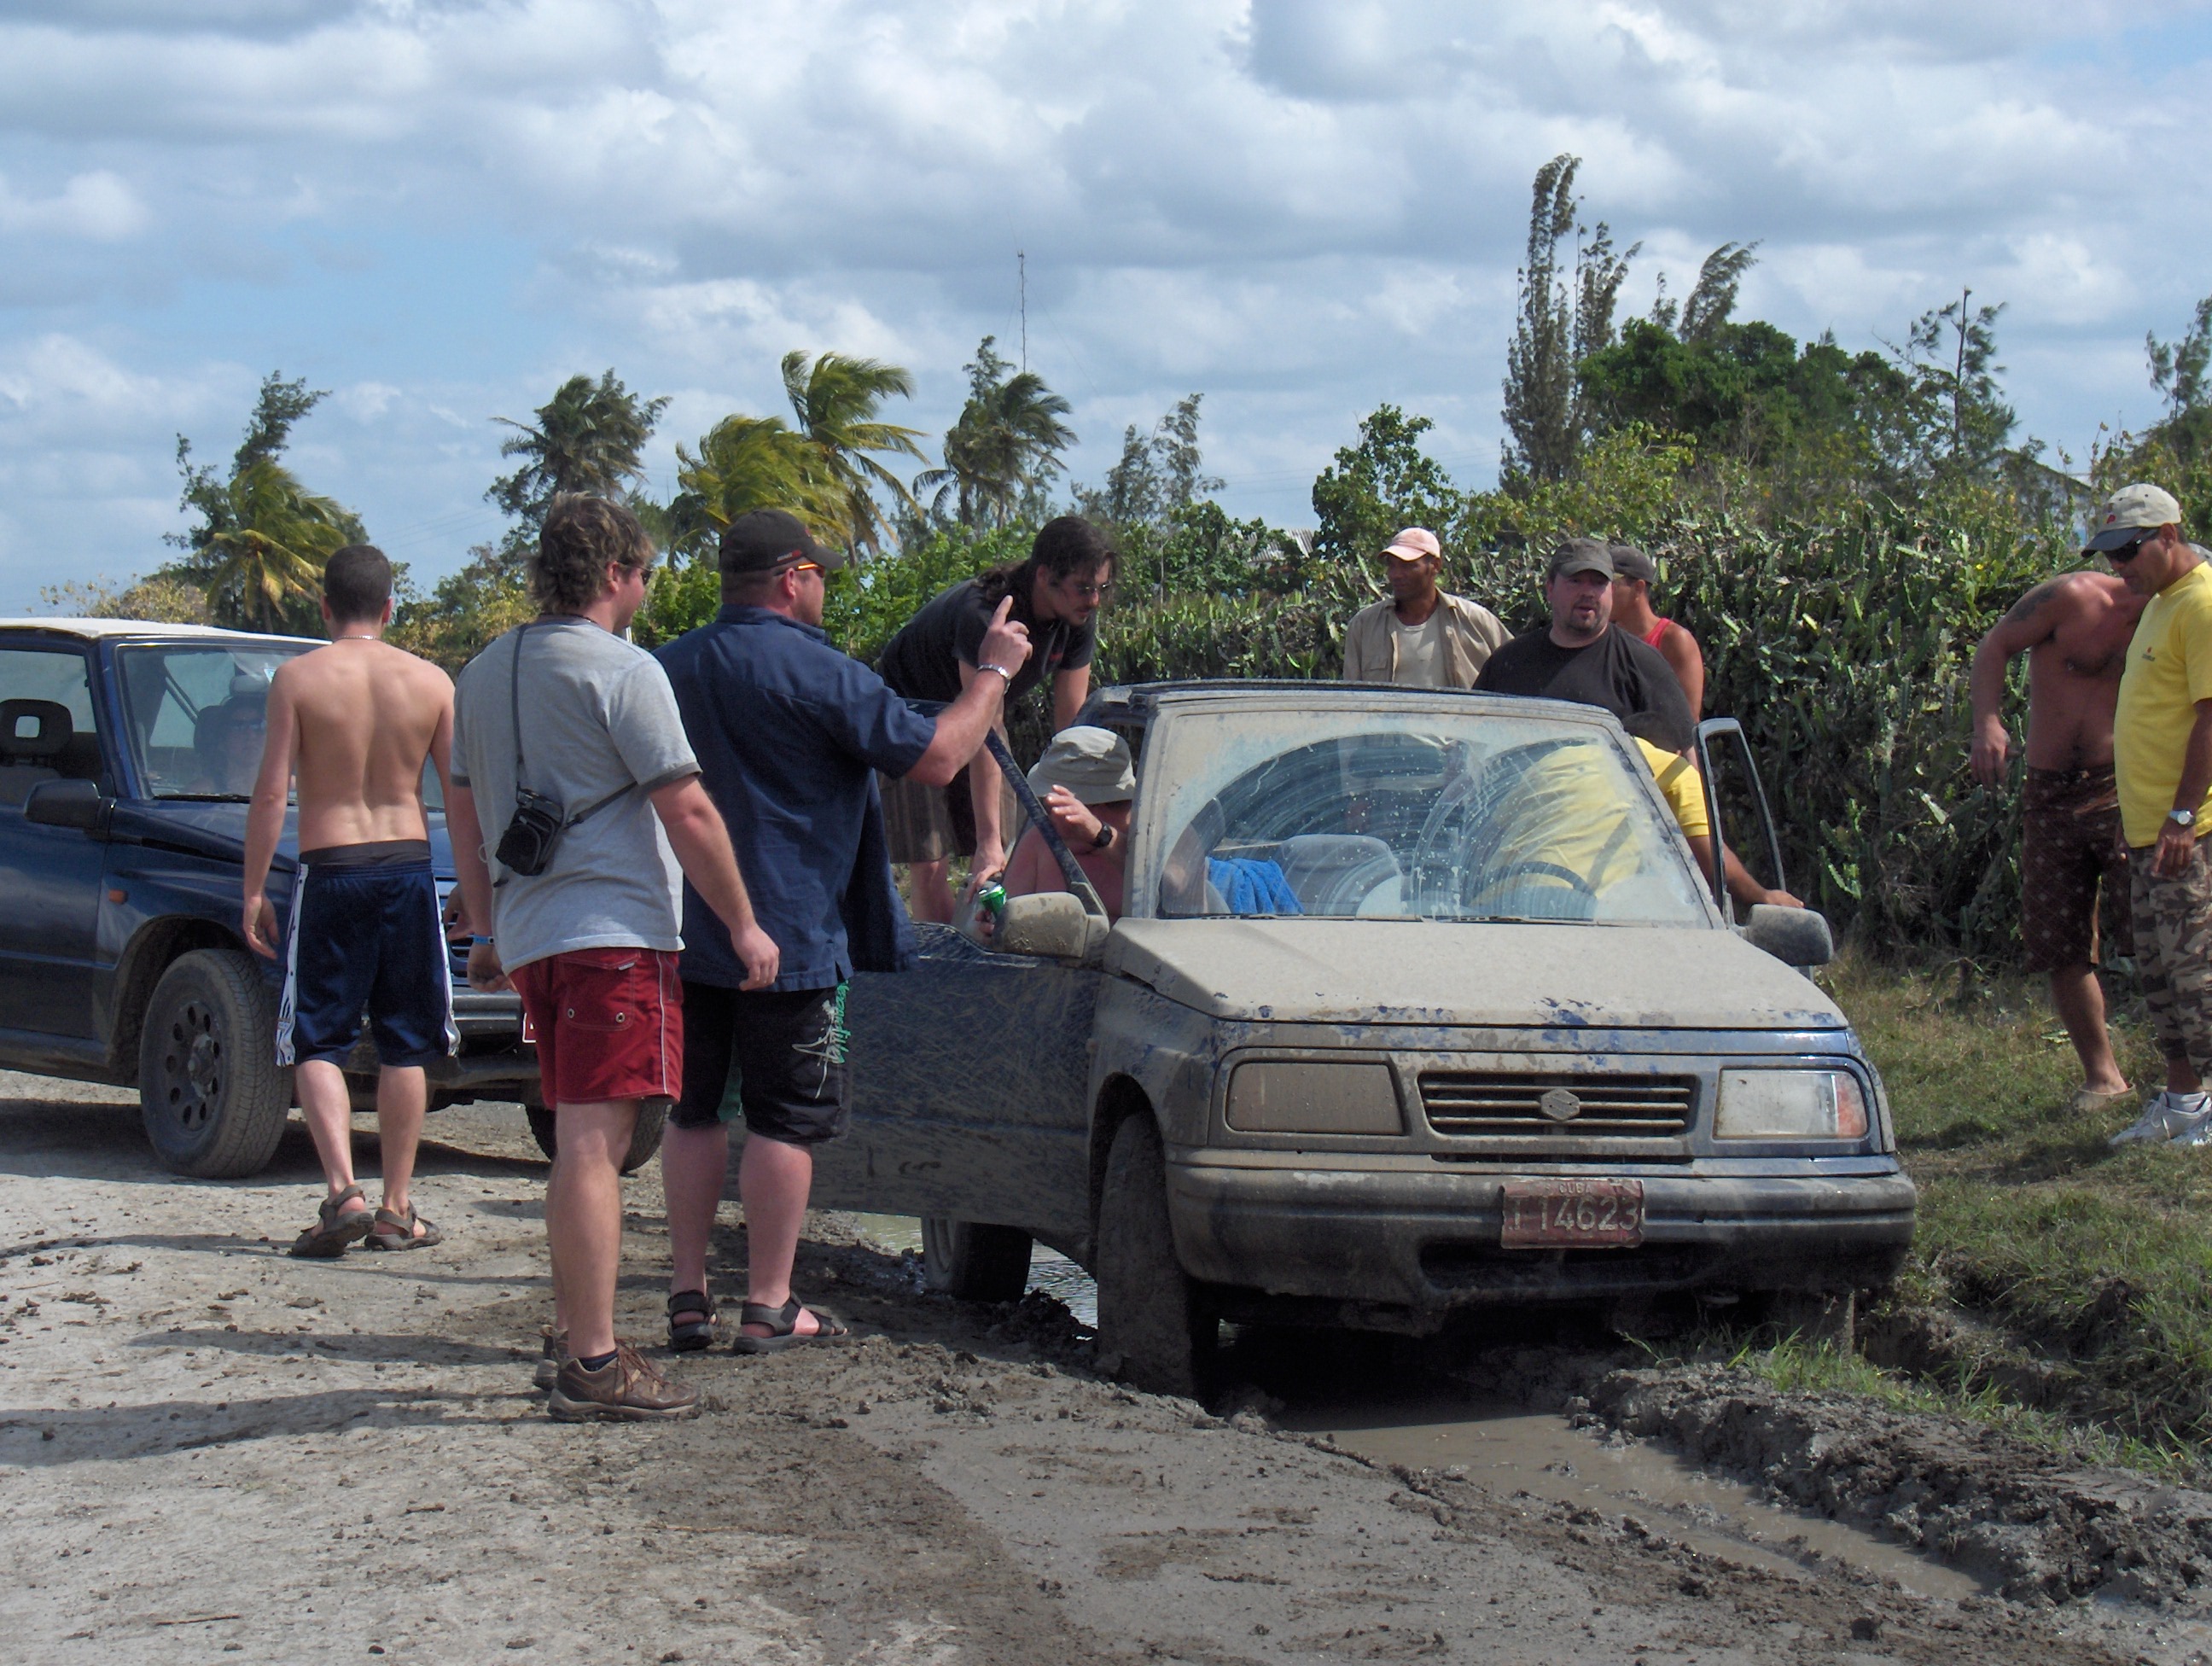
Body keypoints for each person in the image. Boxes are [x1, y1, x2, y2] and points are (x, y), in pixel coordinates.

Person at [654, 509, 1033, 1353]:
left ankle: (686, 1295)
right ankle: (768, 1302)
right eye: (820, 573)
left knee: (694, 1110)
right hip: (791, 929)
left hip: (686, 930)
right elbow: (938, 756)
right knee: (785, 1119)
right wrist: (992, 675)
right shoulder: (820, 671)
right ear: (793, 579)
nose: (823, 587)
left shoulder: (669, 666)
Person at [447, 495, 780, 1421]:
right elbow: (688, 808)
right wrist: (743, 924)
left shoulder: (482, 671)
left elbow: (464, 807)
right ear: (612, 574)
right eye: (642, 572)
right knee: (597, 1147)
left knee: (576, 1139)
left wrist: (485, 929)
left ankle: (573, 1333)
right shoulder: (625, 669)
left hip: (532, 937)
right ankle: (594, 1363)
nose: (645, 588)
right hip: (613, 936)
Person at [242, 545, 458, 1258]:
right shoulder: (431, 681)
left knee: (317, 1037)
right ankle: (397, 1207)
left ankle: (344, 1193)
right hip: (409, 868)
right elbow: (460, 797)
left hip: (332, 867)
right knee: (407, 1042)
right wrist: (477, 891)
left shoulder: (298, 678)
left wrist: (253, 888)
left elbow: (271, 793)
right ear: (390, 608)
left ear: (325, 608)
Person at [1969, 556, 2146, 1114]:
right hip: (2050, 792)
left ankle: (2187, 1073)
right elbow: (1995, 645)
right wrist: (1987, 722)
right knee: (2058, 937)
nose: (2126, 561)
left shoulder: (2179, 616)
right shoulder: (2072, 596)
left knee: (2156, 930)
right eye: (2123, 550)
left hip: (2125, 786)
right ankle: (2103, 1077)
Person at [875, 516, 1111, 923]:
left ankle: (989, 945)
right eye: (1084, 588)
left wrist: (1084, 819)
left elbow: (1072, 731)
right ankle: (941, 957)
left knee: (1004, 855)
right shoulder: (985, 614)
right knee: (933, 861)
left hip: (977, 720)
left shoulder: (1077, 619)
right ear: (1045, 576)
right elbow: (984, 725)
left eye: (1101, 589)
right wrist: (987, 843)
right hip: (911, 719)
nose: (1093, 601)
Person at [2093, 486, 2212, 1147]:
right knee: (2162, 979)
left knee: (2199, 976)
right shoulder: (2161, 604)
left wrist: (2182, 815)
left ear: (2168, 534)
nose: (2119, 567)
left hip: (2190, 831)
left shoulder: (2202, 603)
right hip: (2147, 830)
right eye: (2110, 555)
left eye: (2128, 551)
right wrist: (2136, 814)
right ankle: (2183, 1100)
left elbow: (2210, 717)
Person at [1474, 538, 1697, 749]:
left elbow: (1685, 752)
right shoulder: (1507, 663)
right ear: (1550, 588)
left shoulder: (1644, 664)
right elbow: (1470, 742)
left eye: (1598, 583)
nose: (1588, 592)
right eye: (1576, 581)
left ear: (1611, 591)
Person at [1623, 716, 1802, 911]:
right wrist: (1763, 896)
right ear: (1678, 752)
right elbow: (1712, 862)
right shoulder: (1675, 771)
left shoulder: (1606, 749)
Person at [992, 725, 1134, 923]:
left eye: (1053, 805)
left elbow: (1171, 893)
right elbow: (1007, 915)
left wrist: (1101, 835)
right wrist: (992, 925)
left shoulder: (1149, 846)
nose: (1048, 814)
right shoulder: (1041, 841)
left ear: (1085, 808)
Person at [1340, 527, 1507, 687]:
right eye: (1391, 565)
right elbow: (1352, 695)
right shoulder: (1364, 626)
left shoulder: (1475, 621)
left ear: (1435, 566)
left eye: (1407, 565)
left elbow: (1515, 666)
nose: (1396, 574)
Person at [1608, 543, 1705, 714]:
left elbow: (1687, 718)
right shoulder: (1604, 638)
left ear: (1638, 588)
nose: (1601, 592)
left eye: (1611, 583)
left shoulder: (1675, 640)